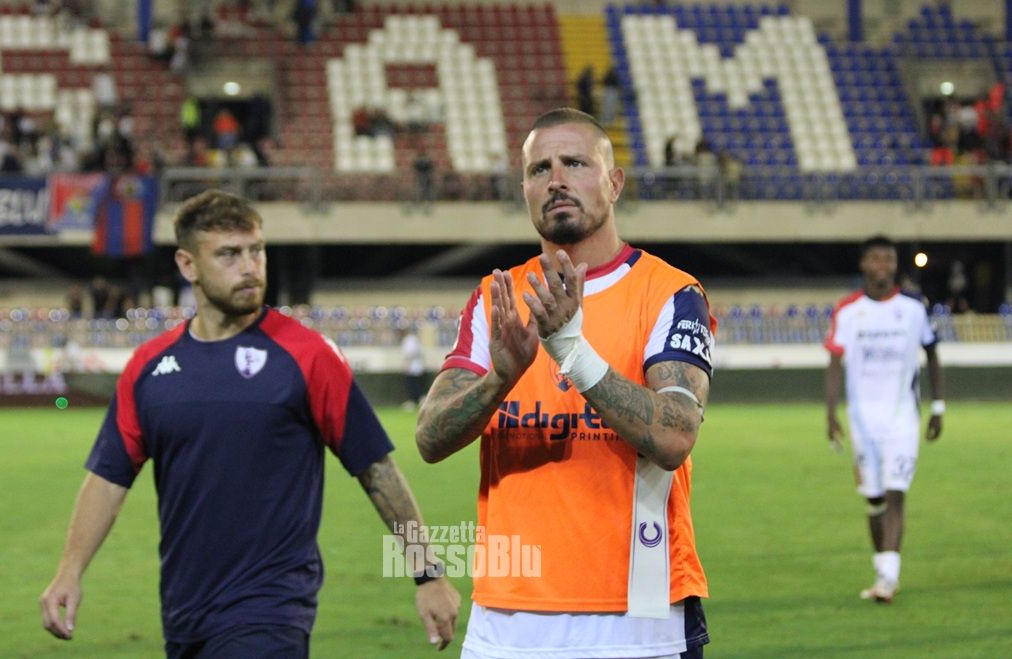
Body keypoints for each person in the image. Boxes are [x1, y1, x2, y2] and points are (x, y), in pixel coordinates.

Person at [40, 190, 460, 657]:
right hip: (184, 611)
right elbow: (108, 479)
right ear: (187, 265)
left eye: (256, 251)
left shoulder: (308, 355)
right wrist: (69, 571)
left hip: (272, 610)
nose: (250, 267)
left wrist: (428, 573)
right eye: (229, 254)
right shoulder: (149, 367)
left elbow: (376, 469)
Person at [415, 108, 714, 658]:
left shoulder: (670, 293)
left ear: (614, 183)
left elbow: (675, 437)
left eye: (575, 163)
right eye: (539, 169)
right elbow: (430, 438)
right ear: (525, 191)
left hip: (637, 620)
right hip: (507, 622)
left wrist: (573, 353)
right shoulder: (497, 297)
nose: (556, 180)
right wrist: (499, 380)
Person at [824, 234, 945, 604]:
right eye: (875, 259)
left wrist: (938, 406)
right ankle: (882, 572)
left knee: (895, 492)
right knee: (874, 499)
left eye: (888, 259)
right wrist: (830, 414)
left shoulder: (913, 308)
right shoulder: (848, 311)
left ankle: (888, 578)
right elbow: (834, 363)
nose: (882, 265)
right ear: (864, 264)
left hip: (902, 417)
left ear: (895, 264)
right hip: (862, 421)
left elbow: (932, 354)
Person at [400, 325, 426, 411]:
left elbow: (410, 354)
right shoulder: (414, 339)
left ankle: (418, 401)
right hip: (416, 367)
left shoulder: (409, 339)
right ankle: (415, 401)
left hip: (412, 367)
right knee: (414, 385)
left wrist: (406, 365)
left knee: (413, 385)